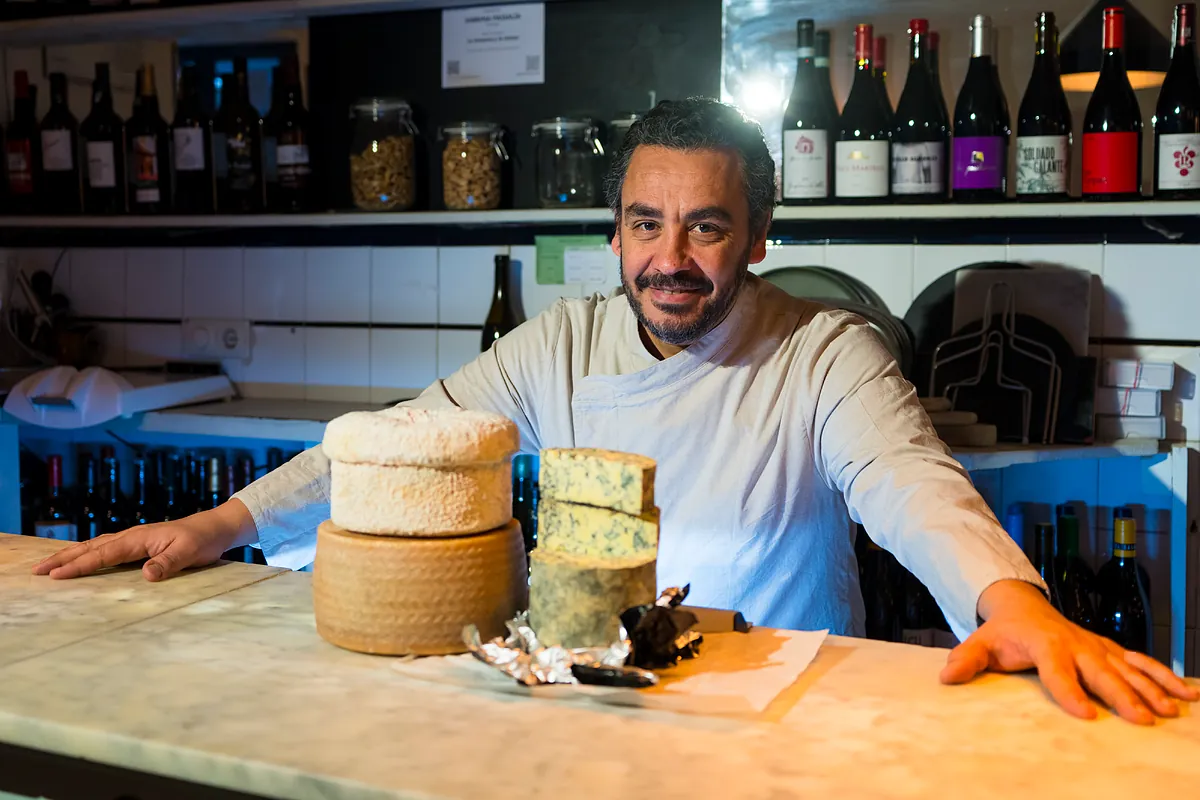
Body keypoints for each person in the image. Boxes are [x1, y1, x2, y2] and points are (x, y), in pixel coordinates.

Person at [35, 98, 1196, 724]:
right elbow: (404, 442)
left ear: (758, 237)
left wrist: (1013, 603)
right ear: (615, 232)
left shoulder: (823, 350)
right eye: (646, 223)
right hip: (585, 707)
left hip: (772, 711)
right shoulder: (563, 345)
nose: (670, 257)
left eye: (706, 226)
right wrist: (219, 524)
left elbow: (910, 481)